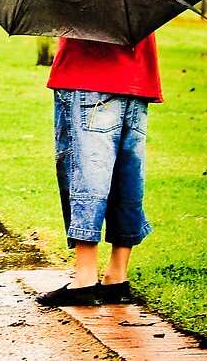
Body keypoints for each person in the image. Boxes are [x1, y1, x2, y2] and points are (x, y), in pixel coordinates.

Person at [36, 35, 161, 307]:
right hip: (138, 77)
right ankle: (117, 275)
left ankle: (84, 278)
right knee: (126, 176)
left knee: (85, 174)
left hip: (87, 74)